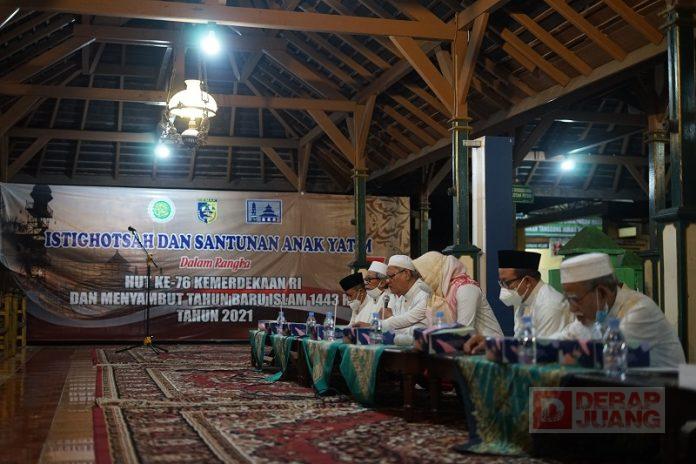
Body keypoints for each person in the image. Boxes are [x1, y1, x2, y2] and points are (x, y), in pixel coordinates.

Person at [555, 252, 685, 368]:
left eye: (575, 299)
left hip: (671, 386)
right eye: (568, 299)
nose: (572, 308)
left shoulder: (639, 311)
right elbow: (559, 343)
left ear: (602, 293)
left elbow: (606, 356)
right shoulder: (592, 316)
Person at [413, 251, 503, 337]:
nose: (420, 281)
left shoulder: (466, 289)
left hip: (491, 344)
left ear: (434, 273)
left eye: (422, 277)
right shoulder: (444, 292)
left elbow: (463, 330)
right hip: (468, 344)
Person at [497, 250, 571, 337]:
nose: (504, 288)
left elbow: (546, 344)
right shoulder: (523, 304)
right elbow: (520, 340)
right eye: (501, 283)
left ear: (528, 281)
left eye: (507, 283)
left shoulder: (549, 305)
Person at [378, 254, 429, 339]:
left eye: (391, 276)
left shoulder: (423, 294)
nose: (387, 281)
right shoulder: (401, 297)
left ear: (406, 274)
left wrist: (389, 321)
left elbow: (419, 332)